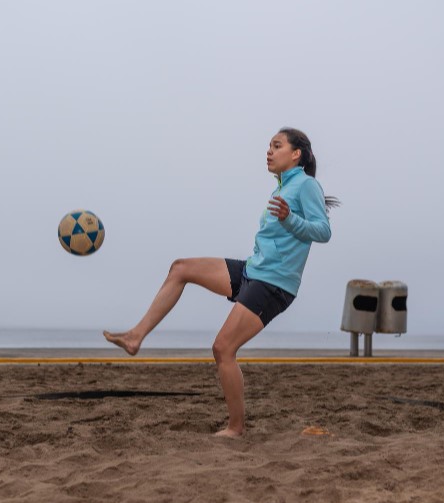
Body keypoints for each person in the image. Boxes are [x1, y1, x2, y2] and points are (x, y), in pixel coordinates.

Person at [104, 127, 337, 437]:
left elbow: (324, 232)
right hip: (254, 271)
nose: (268, 151)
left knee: (223, 348)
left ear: (296, 154)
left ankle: (235, 428)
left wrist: (289, 219)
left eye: (277, 145)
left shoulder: (306, 185)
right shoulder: (281, 188)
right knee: (181, 268)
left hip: (274, 284)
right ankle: (135, 336)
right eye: (268, 145)